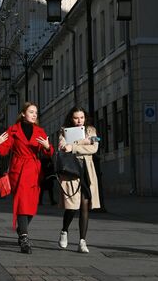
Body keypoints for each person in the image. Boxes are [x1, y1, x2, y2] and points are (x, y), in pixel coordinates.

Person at [0, 102, 53, 254]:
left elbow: (48, 153)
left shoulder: (39, 131)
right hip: (18, 171)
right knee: (21, 203)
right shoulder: (13, 131)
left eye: (36, 113)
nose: (34, 115)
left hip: (34, 171)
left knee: (31, 206)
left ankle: (22, 228)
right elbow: (4, 150)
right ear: (23, 113)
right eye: (31, 111)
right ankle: (24, 238)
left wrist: (47, 147)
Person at [57, 106, 100, 254]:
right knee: (72, 206)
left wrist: (74, 145)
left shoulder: (91, 130)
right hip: (71, 170)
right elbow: (62, 147)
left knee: (85, 205)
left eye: (81, 117)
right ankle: (64, 230)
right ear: (71, 118)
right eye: (76, 118)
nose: (79, 121)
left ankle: (82, 241)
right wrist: (83, 143)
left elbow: (94, 148)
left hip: (87, 170)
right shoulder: (64, 131)